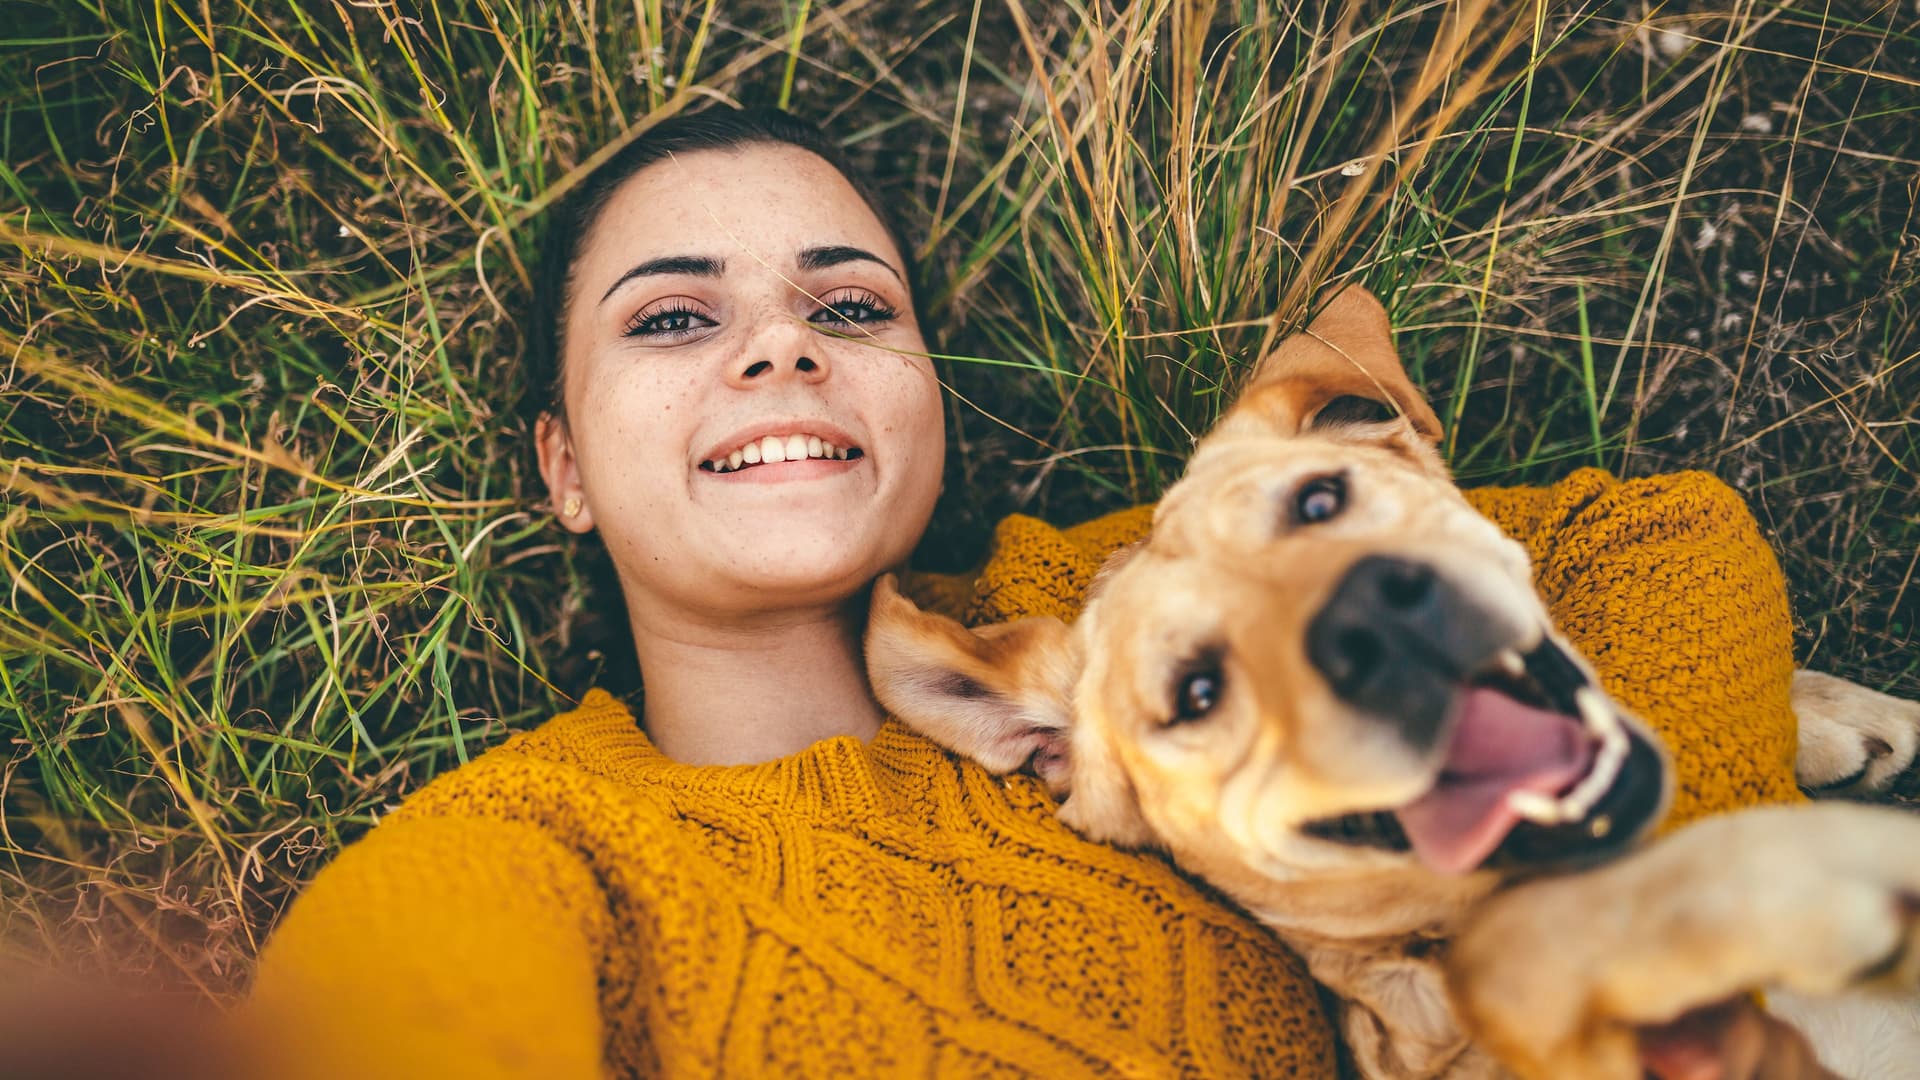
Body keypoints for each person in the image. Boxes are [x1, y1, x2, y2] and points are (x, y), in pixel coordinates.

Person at [236, 107, 1820, 1078]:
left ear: (922, 399)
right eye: (670, 322)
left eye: (847, 305)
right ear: (564, 468)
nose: (782, 348)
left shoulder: (1118, 599)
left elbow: (1657, 536)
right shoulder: (521, 850)